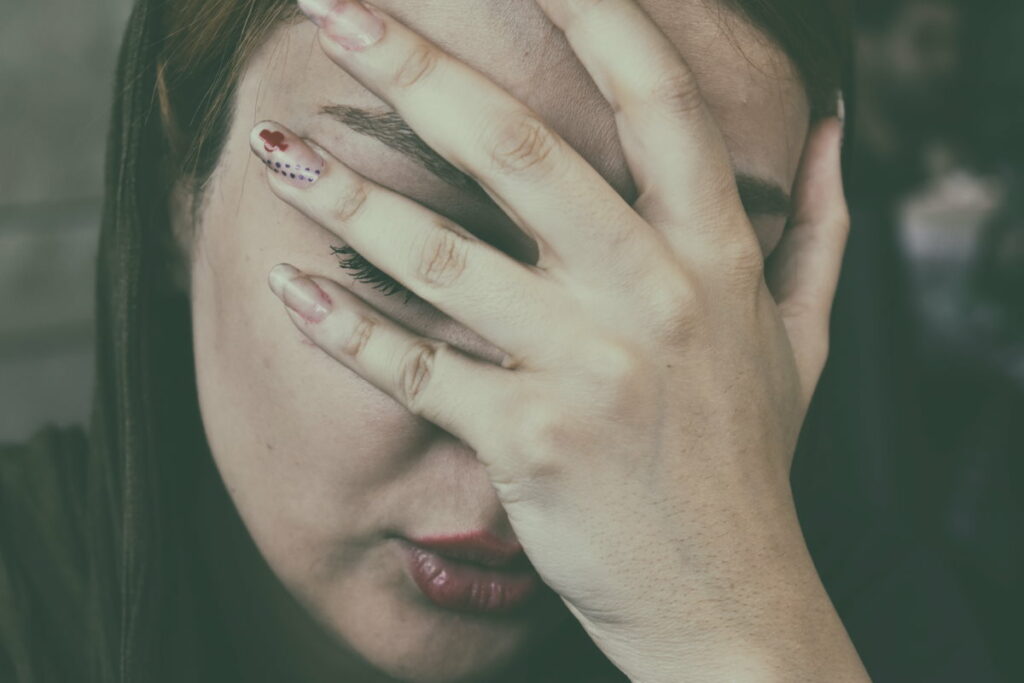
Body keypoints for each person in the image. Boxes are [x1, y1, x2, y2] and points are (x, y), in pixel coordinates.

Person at [0, 0, 1000, 681]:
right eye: (399, 253)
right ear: (180, 181)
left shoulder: (871, 624)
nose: (545, 434)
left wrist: (740, 642)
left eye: (686, 302)